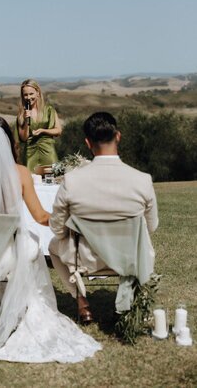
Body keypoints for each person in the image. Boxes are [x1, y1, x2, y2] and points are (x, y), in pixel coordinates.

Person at [0, 116, 101, 363]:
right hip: (8, 255)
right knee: (31, 241)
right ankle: (23, 301)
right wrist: (66, 219)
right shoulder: (20, 173)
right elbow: (41, 216)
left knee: (25, 240)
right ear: (8, 142)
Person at [49, 112, 159, 324]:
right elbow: (151, 227)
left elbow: (58, 230)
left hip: (86, 259)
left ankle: (81, 300)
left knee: (53, 246)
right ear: (118, 136)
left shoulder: (72, 181)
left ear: (88, 142)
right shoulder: (142, 180)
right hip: (129, 258)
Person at [16, 79, 62, 172]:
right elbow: (23, 138)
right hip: (30, 154)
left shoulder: (49, 110)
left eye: (31, 94)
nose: (28, 97)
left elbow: (58, 131)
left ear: (38, 92)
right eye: (25, 95)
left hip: (48, 152)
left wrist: (43, 131)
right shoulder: (21, 114)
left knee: (52, 179)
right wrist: (26, 121)